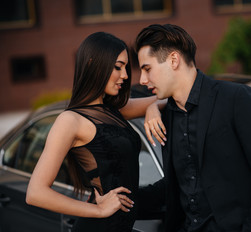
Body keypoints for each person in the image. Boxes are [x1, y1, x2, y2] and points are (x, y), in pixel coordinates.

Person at [136, 24, 251, 232]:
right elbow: (178, 185)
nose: (142, 79)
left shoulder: (236, 99)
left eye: (147, 69)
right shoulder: (167, 116)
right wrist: (119, 201)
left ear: (173, 60)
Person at [26, 31, 165, 232]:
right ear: (93, 63)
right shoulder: (70, 120)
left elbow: (167, 98)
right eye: (118, 67)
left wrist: (152, 108)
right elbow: (35, 193)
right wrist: (99, 211)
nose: (125, 76)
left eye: (126, 67)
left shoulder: (114, 109)